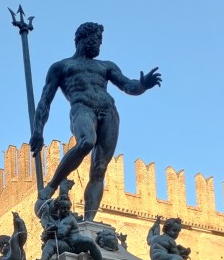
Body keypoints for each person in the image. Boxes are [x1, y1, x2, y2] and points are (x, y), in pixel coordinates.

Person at [30, 22, 161, 222]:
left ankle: (89, 222)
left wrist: (143, 85)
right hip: (82, 108)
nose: (98, 44)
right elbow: (45, 101)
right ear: (81, 39)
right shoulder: (62, 66)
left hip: (109, 111)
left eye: (100, 40)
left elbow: (128, 86)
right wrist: (38, 131)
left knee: (99, 168)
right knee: (86, 142)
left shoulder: (106, 66)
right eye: (95, 39)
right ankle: (52, 186)